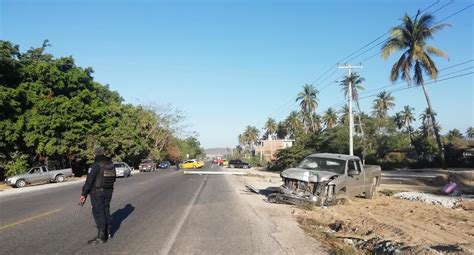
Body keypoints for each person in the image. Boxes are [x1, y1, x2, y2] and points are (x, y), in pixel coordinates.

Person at [79, 147, 116, 244]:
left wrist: (84, 194)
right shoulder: (111, 164)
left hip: (97, 192)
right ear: (103, 153)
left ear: (95, 154)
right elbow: (114, 178)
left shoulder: (95, 165)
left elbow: (89, 181)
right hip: (109, 191)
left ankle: (101, 236)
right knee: (106, 210)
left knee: (98, 212)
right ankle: (108, 232)